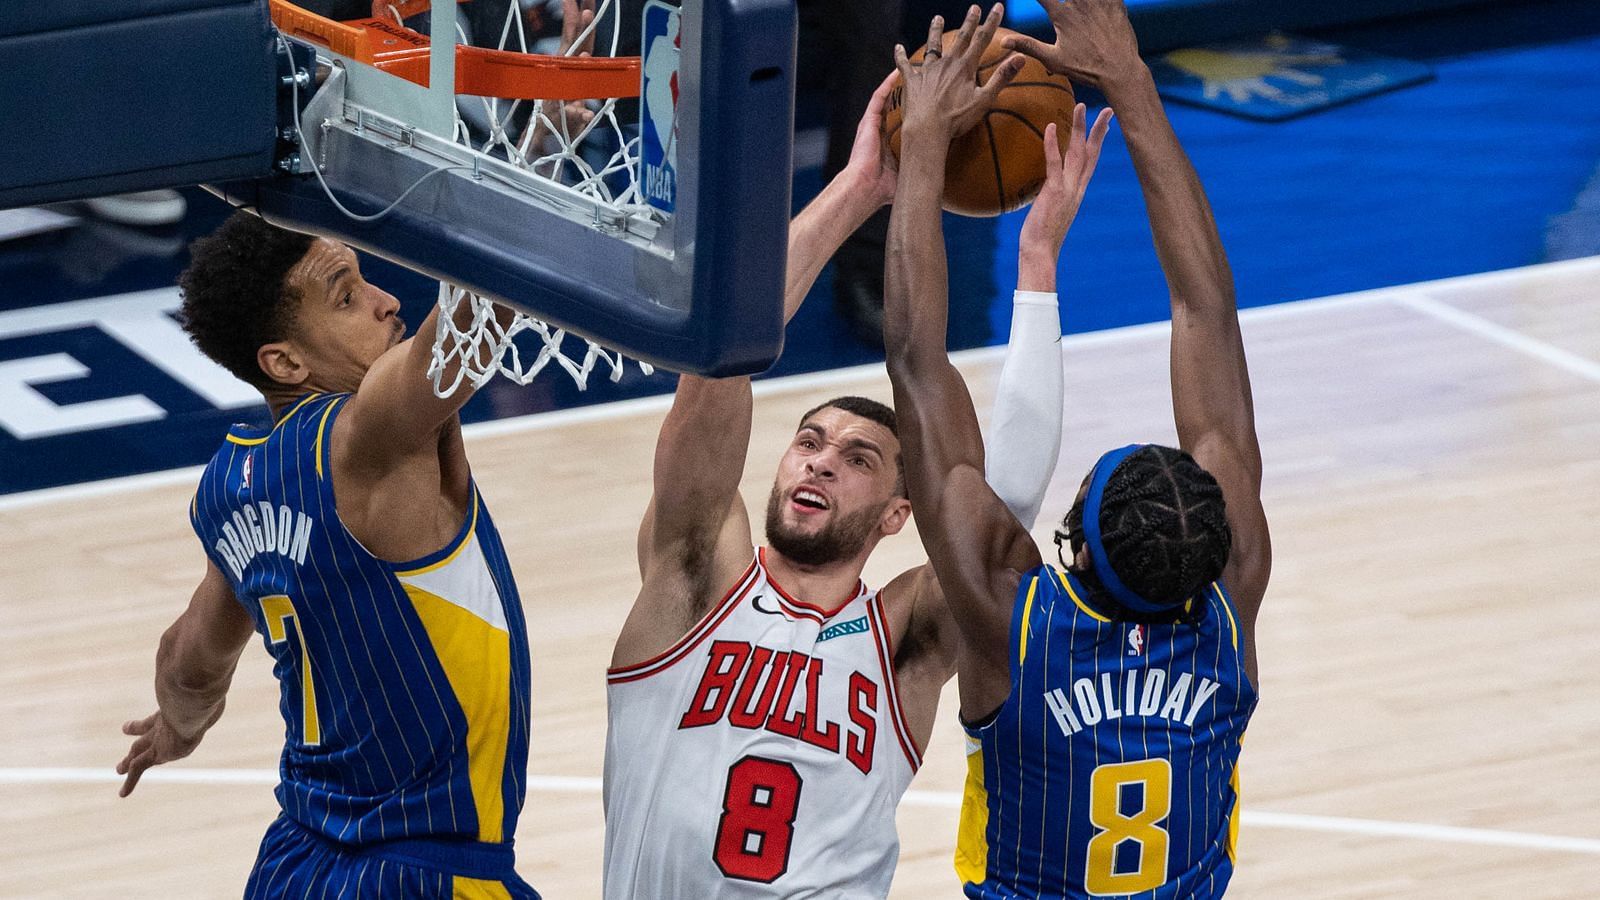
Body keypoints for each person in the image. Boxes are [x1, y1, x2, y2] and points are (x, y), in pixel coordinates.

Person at [602, 49, 1051, 898]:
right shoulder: (695, 575)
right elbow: (720, 362)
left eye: (857, 460)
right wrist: (861, 188)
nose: (819, 461)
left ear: (897, 514)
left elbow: (1002, 508)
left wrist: (1035, 274)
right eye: (808, 441)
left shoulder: (907, 640)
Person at [883, 1, 1269, 897]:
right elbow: (1204, 313)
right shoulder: (1224, 609)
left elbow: (913, 357)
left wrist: (927, 141)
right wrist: (1133, 83)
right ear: (1216, 545)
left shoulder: (1010, 622)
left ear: (1075, 546)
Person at [114, 212, 542, 897]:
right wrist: (539, 160)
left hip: (292, 866)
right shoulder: (369, 434)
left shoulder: (229, 487)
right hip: (425, 873)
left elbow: (188, 666)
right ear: (285, 362)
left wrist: (177, 729)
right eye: (347, 297)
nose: (386, 301)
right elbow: (473, 326)